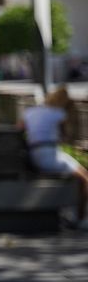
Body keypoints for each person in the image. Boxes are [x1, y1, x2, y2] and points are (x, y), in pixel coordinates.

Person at [21, 86, 88, 228]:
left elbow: (19, 130)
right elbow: (68, 137)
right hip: (49, 154)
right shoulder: (59, 113)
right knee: (84, 178)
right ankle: (80, 218)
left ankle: (71, 213)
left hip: (33, 153)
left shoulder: (30, 111)